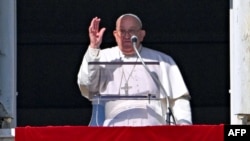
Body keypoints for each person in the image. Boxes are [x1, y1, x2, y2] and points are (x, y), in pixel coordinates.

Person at [77, 13, 192, 126]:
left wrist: (184, 127)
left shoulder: (162, 60)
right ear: (115, 34)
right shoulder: (102, 57)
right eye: (122, 31)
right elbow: (87, 86)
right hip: (114, 127)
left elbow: (178, 99)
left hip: (152, 127)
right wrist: (93, 47)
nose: (126, 36)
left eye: (131, 31)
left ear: (142, 35)